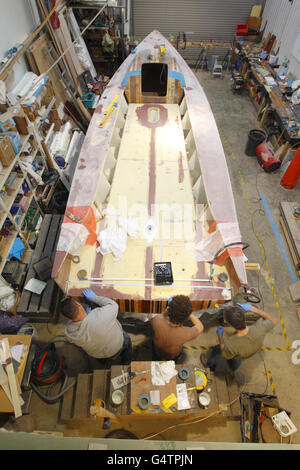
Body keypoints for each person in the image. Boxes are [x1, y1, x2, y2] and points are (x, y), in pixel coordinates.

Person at [200, 302, 277, 376]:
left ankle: (210, 368)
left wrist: (220, 336)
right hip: (248, 352)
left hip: (237, 353)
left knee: (218, 350)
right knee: (237, 360)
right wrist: (252, 308)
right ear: (244, 317)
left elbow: (226, 355)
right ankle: (233, 368)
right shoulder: (260, 328)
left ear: (230, 325)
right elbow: (273, 321)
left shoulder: (231, 344)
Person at [61, 289, 132, 366]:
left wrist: (87, 317)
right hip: (116, 346)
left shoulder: (69, 332)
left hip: (97, 354)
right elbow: (113, 305)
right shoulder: (101, 315)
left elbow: (82, 325)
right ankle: (126, 363)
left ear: (68, 318)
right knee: (127, 341)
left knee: (101, 357)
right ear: (78, 305)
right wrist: (95, 298)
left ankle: (104, 363)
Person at [150, 295, 204, 362]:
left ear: (169, 310)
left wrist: (168, 309)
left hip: (157, 349)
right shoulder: (186, 333)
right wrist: (189, 313)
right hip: (172, 355)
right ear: (186, 318)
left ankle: (156, 359)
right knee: (172, 362)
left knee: (156, 358)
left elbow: (161, 316)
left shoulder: (156, 320)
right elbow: (200, 326)